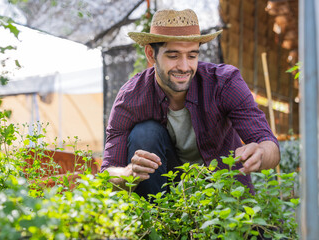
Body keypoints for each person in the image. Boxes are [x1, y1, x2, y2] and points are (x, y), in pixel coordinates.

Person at [100, 8, 280, 197]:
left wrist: (260, 153)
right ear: (151, 54)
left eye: (192, 55)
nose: (184, 67)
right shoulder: (131, 97)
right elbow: (107, 175)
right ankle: (156, 223)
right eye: (173, 56)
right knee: (144, 133)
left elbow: (270, 145)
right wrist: (129, 172)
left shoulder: (224, 83)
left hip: (224, 194)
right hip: (166, 197)